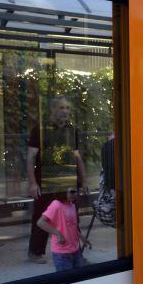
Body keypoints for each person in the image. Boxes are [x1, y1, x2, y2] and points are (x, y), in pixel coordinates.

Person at [27, 96, 87, 264]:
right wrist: (33, 183)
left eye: (67, 108)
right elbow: (30, 158)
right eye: (61, 107)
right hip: (46, 180)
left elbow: (77, 157)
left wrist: (84, 180)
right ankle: (35, 252)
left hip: (68, 180)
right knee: (42, 215)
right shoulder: (40, 130)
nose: (65, 111)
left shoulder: (72, 130)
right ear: (53, 109)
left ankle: (74, 251)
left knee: (72, 217)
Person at [36, 187, 89, 272]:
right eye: (72, 192)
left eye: (75, 192)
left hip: (75, 249)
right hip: (62, 252)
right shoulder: (56, 204)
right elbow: (40, 222)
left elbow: (71, 225)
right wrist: (58, 234)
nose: (75, 194)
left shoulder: (72, 205)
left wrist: (81, 237)